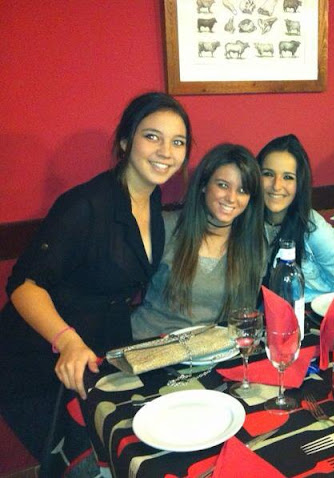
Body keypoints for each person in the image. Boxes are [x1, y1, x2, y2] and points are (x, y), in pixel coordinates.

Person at [0, 92, 192, 457]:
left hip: (95, 353)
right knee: (74, 464)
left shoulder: (151, 198)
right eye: (152, 136)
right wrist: (67, 341)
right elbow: (24, 285)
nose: (166, 151)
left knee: (111, 456)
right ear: (126, 141)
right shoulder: (85, 205)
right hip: (36, 362)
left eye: (178, 142)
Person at [131, 143, 265, 340]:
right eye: (223, 185)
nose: (231, 198)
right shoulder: (165, 227)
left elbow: (244, 318)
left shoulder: (254, 244)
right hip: (151, 344)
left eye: (243, 190)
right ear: (204, 185)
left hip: (210, 350)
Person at [257, 134, 334, 301]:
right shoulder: (247, 221)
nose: (276, 185)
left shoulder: (314, 229)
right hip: (267, 313)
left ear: (300, 183)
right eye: (268, 174)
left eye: (288, 177)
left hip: (313, 312)